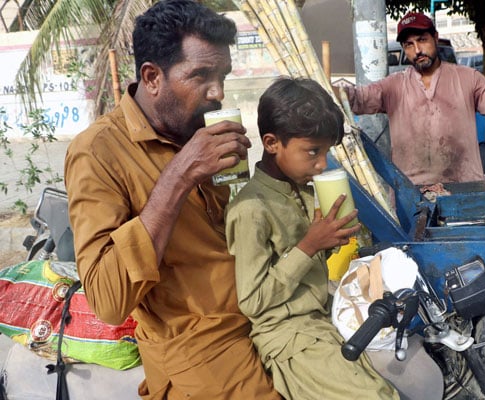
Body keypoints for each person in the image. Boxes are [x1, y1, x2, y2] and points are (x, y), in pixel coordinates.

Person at [63, 1, 280, 398]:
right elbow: (108, 301)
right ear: (151, 77)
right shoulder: (97, 152)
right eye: (200, 76)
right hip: (199, 345)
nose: (217, 92)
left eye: (223, 76)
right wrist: (180, 175)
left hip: (265, 311)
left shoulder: (204, 130)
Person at [224, 76, 399, 400]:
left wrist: (327, 246)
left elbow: (304, 269)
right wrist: (309, 246)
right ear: (273, 142)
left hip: (323, 319)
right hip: (291, 338)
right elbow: (253, 300)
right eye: (312, 152)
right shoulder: (251, 209)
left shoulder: (301, 191)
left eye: (326, 152)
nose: (321, 165)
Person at [337, 12, 485, 185]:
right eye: (409, 45)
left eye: (422, 40)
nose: (417, 50)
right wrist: (329, 91)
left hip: (464, 187)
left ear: (435, 38)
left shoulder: (467, 78)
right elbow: (356, 98)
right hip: (412, 194)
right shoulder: (393, 86)